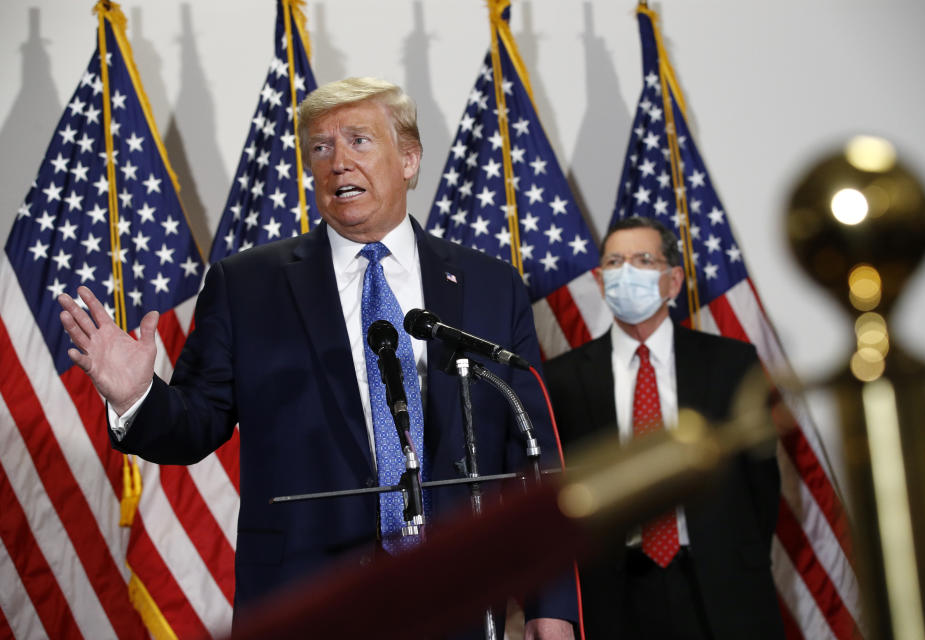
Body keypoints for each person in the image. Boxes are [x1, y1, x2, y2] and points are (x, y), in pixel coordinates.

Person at [57, 77, 575, 638]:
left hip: (456, 600)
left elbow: (534, 457)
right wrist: (137, 397)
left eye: (359, 141)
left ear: (409, 159)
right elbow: (194, 425)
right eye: (321, 148)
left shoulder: (490, 287)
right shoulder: (246, 285)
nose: (338, 163)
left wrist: (552, 604)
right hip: (302, 603)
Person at [544, 217, 784, 639]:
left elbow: (760, 485)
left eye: (643, 260)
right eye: (615, 262)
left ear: (673, 282)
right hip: (613, 596)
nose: (626, 273)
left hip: (722, 589)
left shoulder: (731, 363)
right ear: (600, 282)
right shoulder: (561, 380)